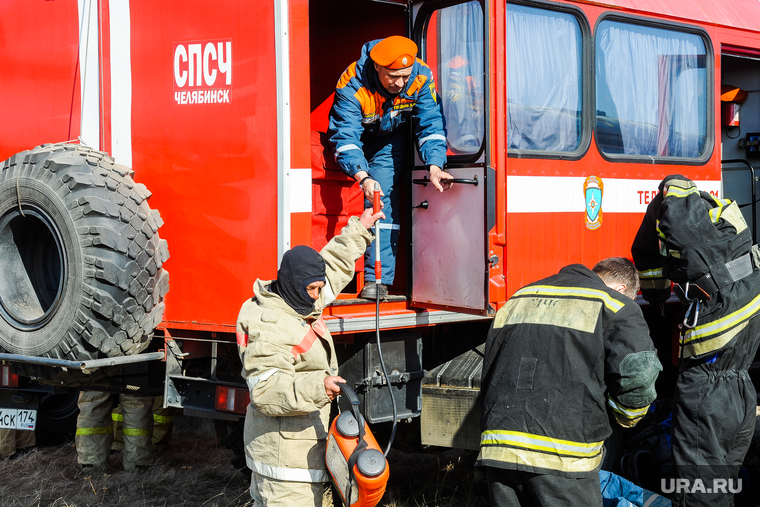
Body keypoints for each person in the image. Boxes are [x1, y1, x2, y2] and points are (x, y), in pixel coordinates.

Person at [476, 257, 662, 507]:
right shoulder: (615, 304)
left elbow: (491, 370)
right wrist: (626, 418)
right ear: (620, 289)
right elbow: (638, 373)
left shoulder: (519, 298)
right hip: (563, 459)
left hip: (499, 450)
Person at [236, 207, 384, 507]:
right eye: (312, 289)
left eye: (319, 288)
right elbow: (265, 391)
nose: (318, 295)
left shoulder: (297, 297)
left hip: (298, 455)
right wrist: (320, 386)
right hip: (285, 467)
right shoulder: (271, 325)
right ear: (293, 284)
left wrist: (360, 228)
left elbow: (331, 265)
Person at [631, 175, 760, 507]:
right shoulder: (731, 234)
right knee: (720, 486)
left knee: (700, 496)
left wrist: (655, 295)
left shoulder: (668, 225)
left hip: (706, 393)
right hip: (742, 390)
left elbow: (645, 252)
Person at [328, 35, 454, 299]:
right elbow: (346, 136)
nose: (400, 83)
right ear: (377, 67)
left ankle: (377, 281)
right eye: (393, 76)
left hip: (388, 142)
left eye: (405, 76)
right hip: (358, 140)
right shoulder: (352, 83)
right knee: (365, 190)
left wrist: (434, 165)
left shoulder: (420, 76)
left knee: (381, 199)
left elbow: (430, 123)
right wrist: (362, 176)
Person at [75, 391, 154, 471]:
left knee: (93, 400)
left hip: (95, 378)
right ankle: (138, 464)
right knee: (137, 403)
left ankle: (90, 464)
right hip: (135, 380)